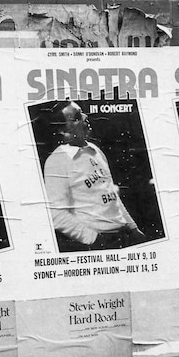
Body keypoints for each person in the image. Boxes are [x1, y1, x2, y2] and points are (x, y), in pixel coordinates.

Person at [42, 101, 146, 251]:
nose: (85, 116)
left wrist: (133, 227)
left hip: (123, 235)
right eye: (77, 117)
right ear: (63, 130)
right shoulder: (57, 160)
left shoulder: (95, 150)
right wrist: (94, 239)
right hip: (99, 242)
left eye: (82, 113)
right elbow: (56, 214)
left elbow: (111, 196)